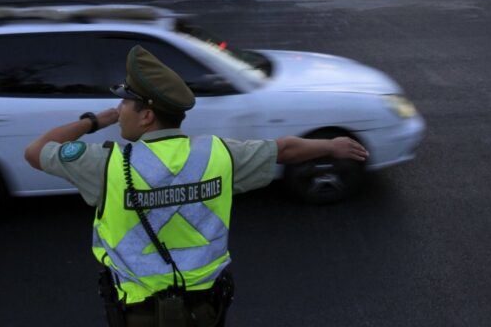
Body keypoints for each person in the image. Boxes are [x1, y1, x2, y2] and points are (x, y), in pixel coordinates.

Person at [24, 45, 369, 327]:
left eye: (125, 103)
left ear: (147, 116)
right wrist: (331, 146)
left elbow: (36, 151)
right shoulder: (218, 155)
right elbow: (284, 149)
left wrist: (95, 121)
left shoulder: (106, 164)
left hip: (138, 314)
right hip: (205, 311)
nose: (119, 109)